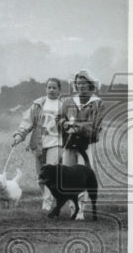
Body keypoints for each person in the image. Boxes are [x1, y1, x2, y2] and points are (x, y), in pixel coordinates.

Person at [12, 77, 64, 211]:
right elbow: (27, 122)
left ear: (59, 90)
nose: (51, 90)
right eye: (49, 87)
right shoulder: (38, 104)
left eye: (54, 88)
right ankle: (51, 197)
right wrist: (19, 134)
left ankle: (47, 204)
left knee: (50, 174)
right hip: (39, 144)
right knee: (41, 178)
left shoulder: (64, 105)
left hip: (56, 143)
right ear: (45, 89)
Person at [58, 69, 104, 220]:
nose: (81, 86)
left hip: (85, 145)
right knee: (68, 176)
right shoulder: (68, 101)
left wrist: (77, 127)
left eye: (84, 83)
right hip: (69, 144)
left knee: (83, 176)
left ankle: (81, 210)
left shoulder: (97, 103)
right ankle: (73, 208)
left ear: (90, 84)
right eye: (78, 83)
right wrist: (64, 124)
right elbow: (58, 118)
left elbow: (95, 126)